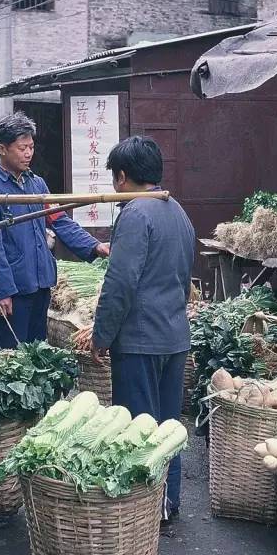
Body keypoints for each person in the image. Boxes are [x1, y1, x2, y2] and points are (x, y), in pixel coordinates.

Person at [90, 137, 195, 525]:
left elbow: (119, 283)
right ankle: (168, 502)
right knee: (169, 425)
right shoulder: (177, 211)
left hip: (140, 340)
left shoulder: (135, 213)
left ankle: (145, 510)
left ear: (123, 176)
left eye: (115, 179)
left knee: (139, 426)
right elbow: (184, 278)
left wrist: (101, 336)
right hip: (173, 335)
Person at [0, 111, 110, 349]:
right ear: (2, 149)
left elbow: (60, 221)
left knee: (38, 352)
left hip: (41, 283)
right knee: (11, 357)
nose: (28, 153)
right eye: (22, 148)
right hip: (13, 289)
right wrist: (1, 290)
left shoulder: (37, 184)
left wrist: (94, 246)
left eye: (31, 147)